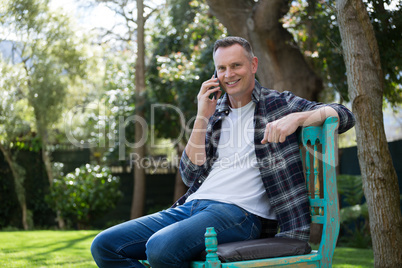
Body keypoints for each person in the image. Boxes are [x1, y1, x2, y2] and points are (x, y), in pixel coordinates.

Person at [91, 36, 355, 268]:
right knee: (104, 245)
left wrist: (296, 119)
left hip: (240, 214)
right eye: (222, 68)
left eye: (236, 65)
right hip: (192, 207)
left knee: (160, 248)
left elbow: (344, 115)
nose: (229, 74)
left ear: (253, 65)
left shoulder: (279, 104)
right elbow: (188, 173)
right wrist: (201, 117)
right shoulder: (215, 113)